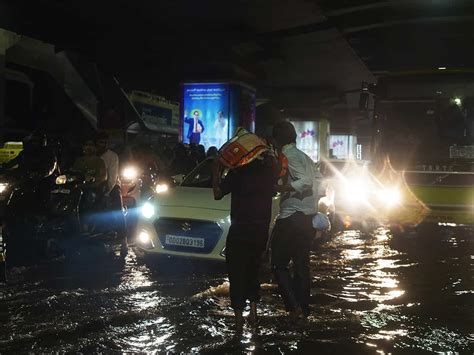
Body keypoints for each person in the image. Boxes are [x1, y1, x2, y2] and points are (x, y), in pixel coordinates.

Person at [213, 148, 278, 330]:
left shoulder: (237, 174)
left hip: (239, 232)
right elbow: (275, 185)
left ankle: (239, 319)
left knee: (237, 273)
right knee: (253, 270)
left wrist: (216, 168)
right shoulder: (267, 174)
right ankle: (254, 312)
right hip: (260, 234)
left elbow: (217, 194)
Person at [271, 121, 317, 318]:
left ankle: (293, 307)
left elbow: (306, 181)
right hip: (307, 219)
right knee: (301, 265)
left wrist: (282, 189)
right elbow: (315, 182)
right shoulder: (305, 157)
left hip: (291, 217)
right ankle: (303, 309)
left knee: (278, 264)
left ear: (277, 139)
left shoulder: (288, 156)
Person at [95, 132, 128, 255]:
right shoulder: (94, 156)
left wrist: (107, 192)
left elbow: (112, 178)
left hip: (112, 187)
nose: (101, 145)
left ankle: (123, 241)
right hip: (95, 187)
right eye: (99, 143)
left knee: (117, 212)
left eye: (103, 142)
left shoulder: (111, 156)